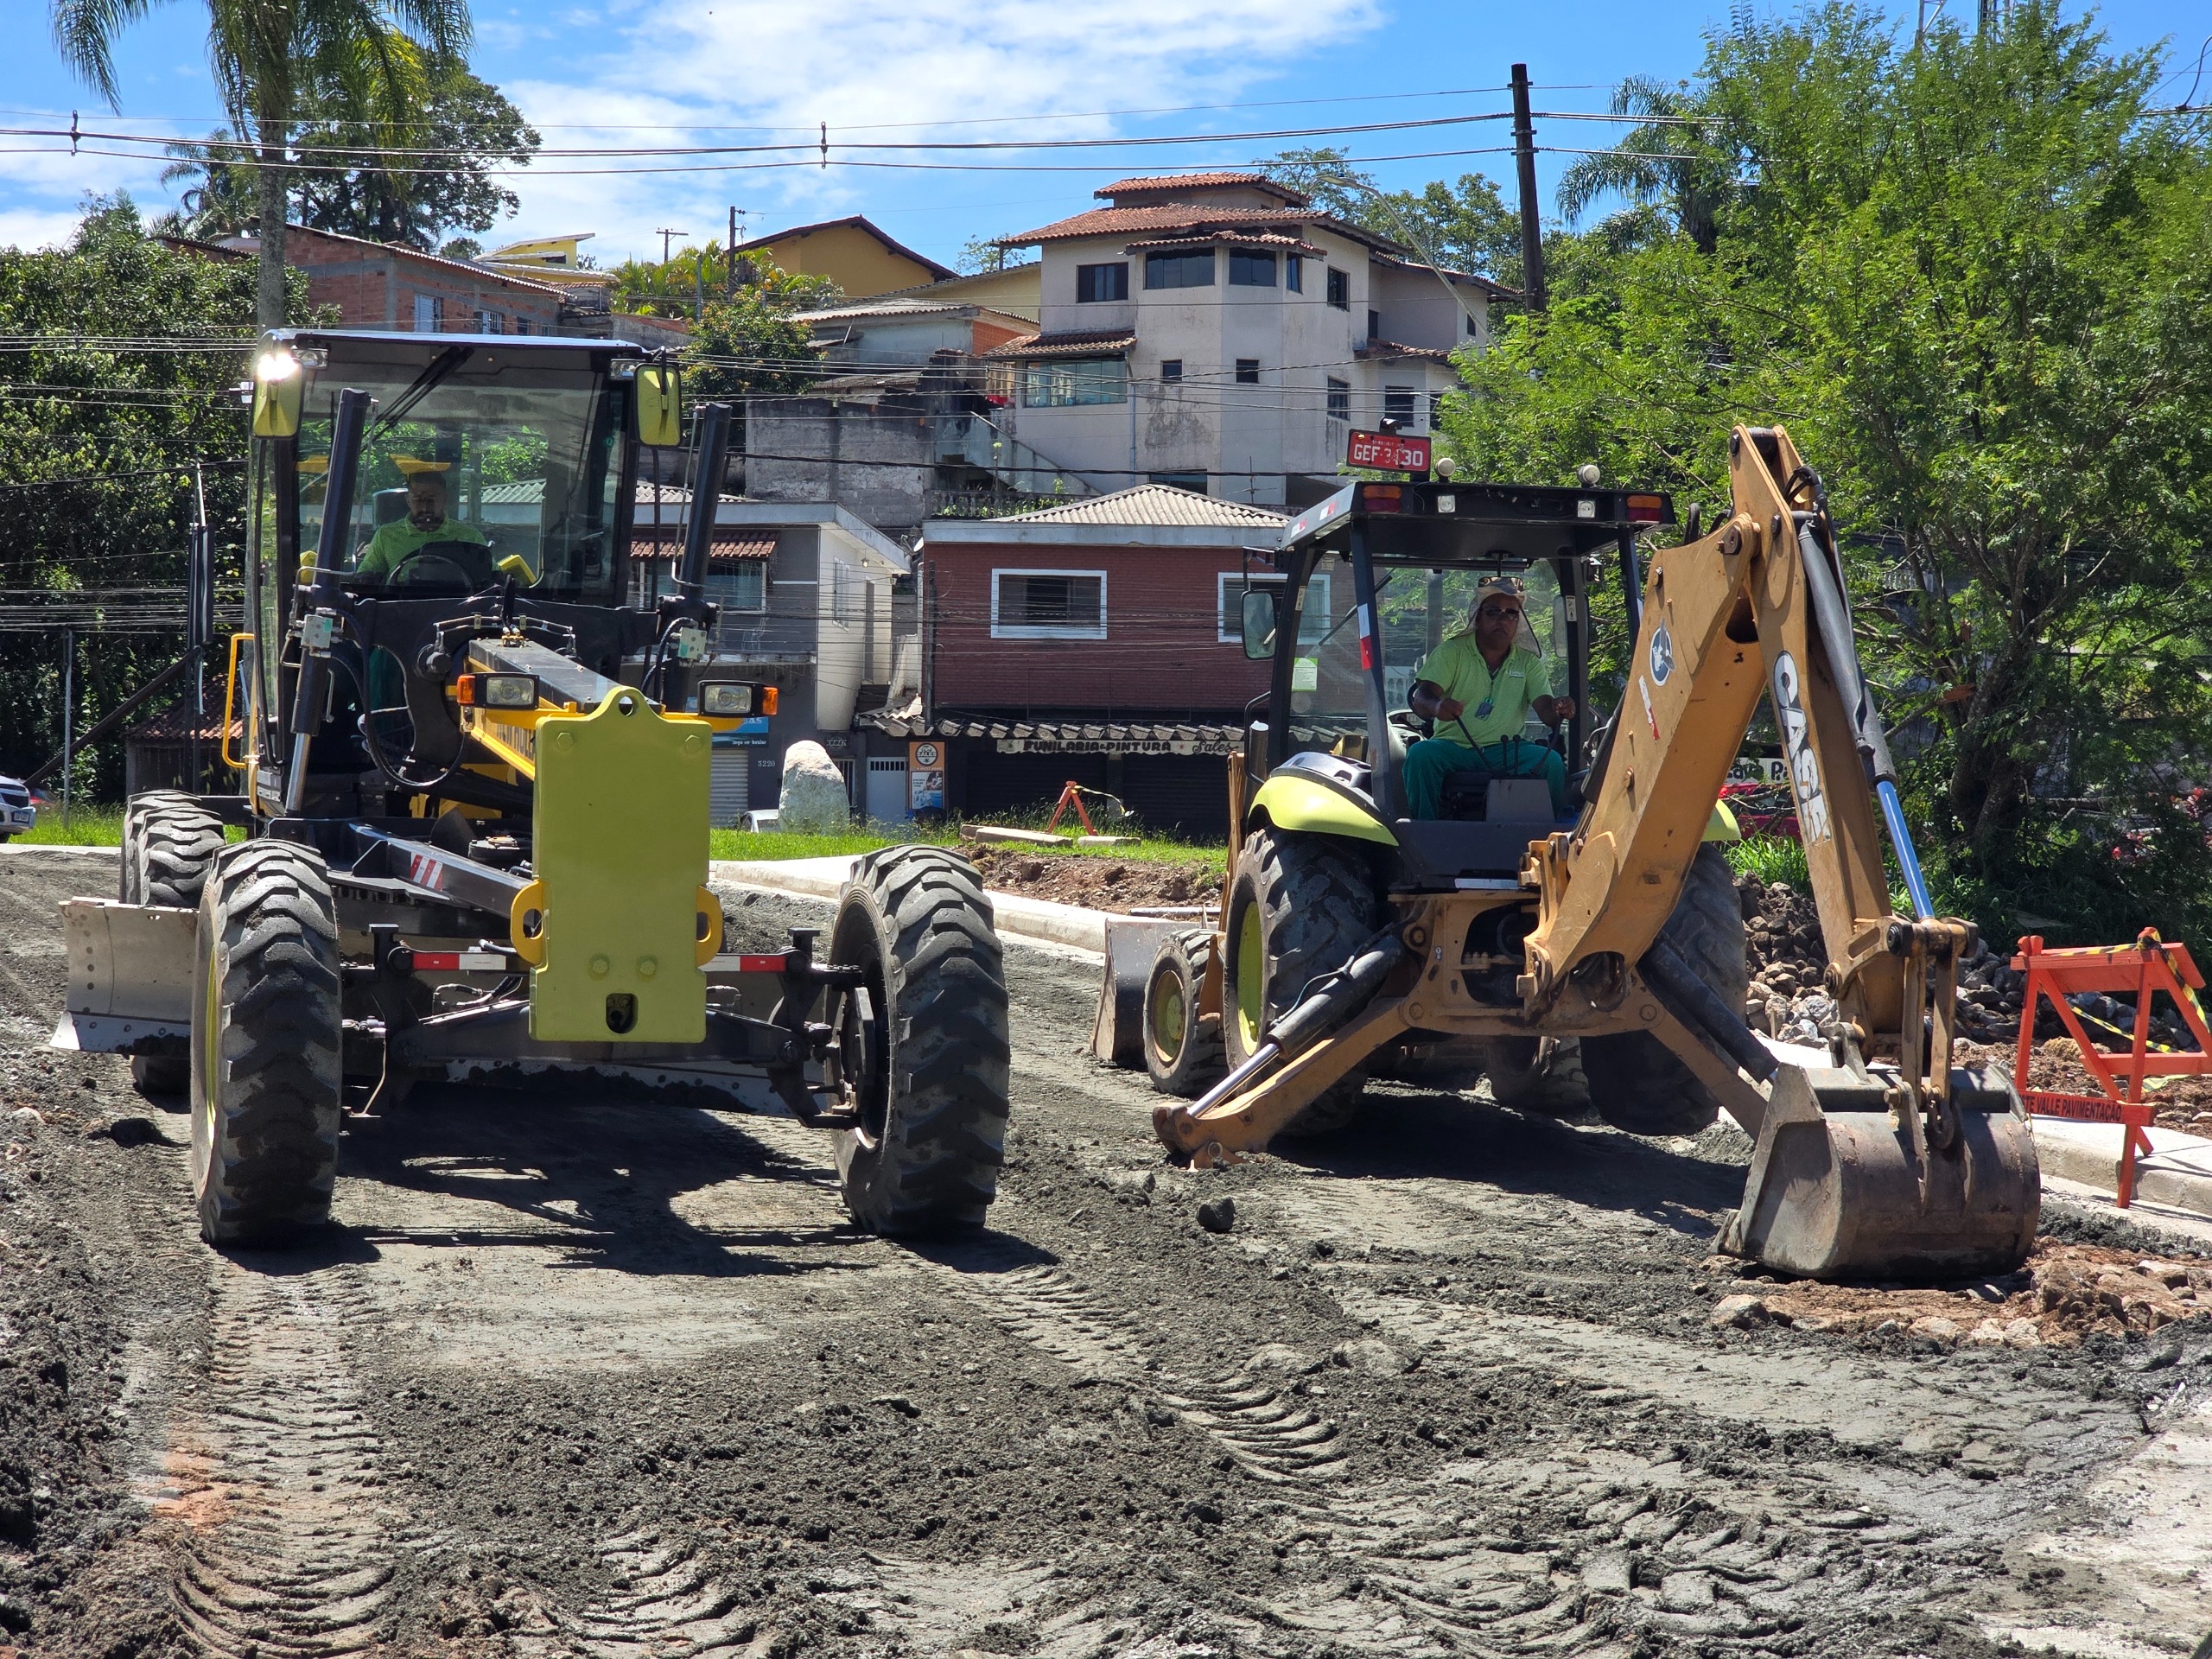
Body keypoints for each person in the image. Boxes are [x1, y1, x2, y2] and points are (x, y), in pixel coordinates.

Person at [1402, 575, 1575, 818]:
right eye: (1493, 611)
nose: (1502, 619)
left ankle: (1551, 835)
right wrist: (1437, 705)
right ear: (1478, 616)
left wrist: (1559, 708)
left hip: (1506, 752)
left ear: (1518, 621)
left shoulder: (1528, 663)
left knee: (1552, 763)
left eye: (1511, 613)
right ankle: (1424, 830)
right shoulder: (1452, 652)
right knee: (1420, 755)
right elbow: (1422, 697)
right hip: (1453, 748)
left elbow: (1546, 711)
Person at [355, 465, 488, 582]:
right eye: (418, 500)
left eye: (432, 500)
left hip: (459, 603)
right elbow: (366, 579)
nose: (425, 508)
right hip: (399, 602)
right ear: (408, 500)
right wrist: (366, 579)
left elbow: (490, 581)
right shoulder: (386, 535)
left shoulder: (470, 537)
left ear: (445, 500)